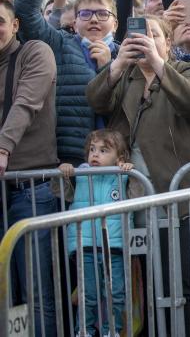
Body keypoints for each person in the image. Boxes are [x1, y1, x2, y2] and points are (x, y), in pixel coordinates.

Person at [86, 13, 190, 335]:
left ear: (167, 42)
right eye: (137, 35)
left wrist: (158, 64)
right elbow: (95, 100)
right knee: (153, 286)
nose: (144, 40)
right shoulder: (126, 76)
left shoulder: (185, 70)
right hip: (142, 198)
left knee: (186, 286)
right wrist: (117, 65)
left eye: (153, 35)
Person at [14, 0, 120, 165]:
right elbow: (25, 14)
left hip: (118, 160)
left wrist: (107, 67)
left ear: (116, 21)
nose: (94, 19)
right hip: (68, 159)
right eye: (86, 13)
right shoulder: (60, 43)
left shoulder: (126, 53)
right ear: (74, 20)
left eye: (102, 14)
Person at [0, 0, 57, 337]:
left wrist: (3, 148)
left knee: (36, 293)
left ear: (15, 25)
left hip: (30, 192)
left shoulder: (35, 52)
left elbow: (26, 102)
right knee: (5, 294)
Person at [61, 130, 134, 337]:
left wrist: (130, 172)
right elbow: (62, 192)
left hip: (115, 246)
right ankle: (83, 331)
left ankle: (112, 331)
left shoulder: (123, 175)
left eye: (103, 150)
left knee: (116, 293)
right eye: (92, 149)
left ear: (119, 158)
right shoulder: (81, 173)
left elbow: (139, 194)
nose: (95, 154)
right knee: (88, 295)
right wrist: (65, 173)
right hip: (85, 246)